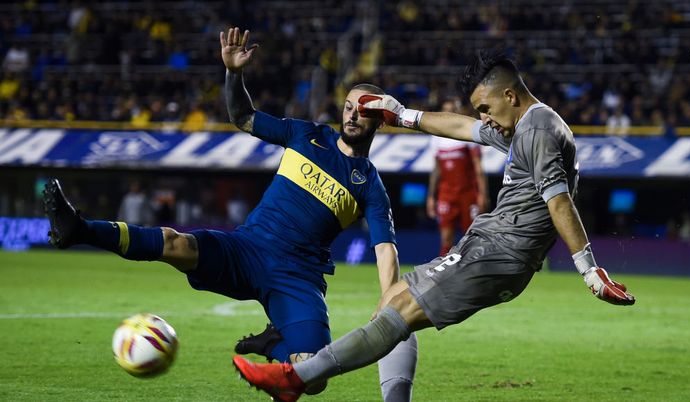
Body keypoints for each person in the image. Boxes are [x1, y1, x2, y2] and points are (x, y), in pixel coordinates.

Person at [230, 48, 636, 402]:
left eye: (486, 109)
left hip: (501, 252)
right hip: (489, 243)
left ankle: (294, 377)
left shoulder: (539, 131)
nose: (485, 120)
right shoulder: (522, 125)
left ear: (510, 96)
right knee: (392, 304)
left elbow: (559, 200)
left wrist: (589, 269)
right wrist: (404, 115)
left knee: (399, 309)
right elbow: (461, 128)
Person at [42, 27, 417, 400]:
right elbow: (243, 116)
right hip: (247, 249)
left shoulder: (369, 184)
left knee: (313, 376)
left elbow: (386, 250)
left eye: (365, 110)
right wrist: (233, 73)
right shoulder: (307, 135)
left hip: (297, 277)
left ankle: (273, 343)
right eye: (349, 106)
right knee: (177, 244)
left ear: (380, 119)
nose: (353, 115)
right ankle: (78, 229)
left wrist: (389, 302)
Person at [427, 98, 489, 256]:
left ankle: (474, 274)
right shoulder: (436, 138)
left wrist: (482, 194)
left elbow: (478, 167)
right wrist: (431, 197)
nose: (449, 113)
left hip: (468, 194)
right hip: (446, 194)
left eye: (452, 109)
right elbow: (436, 170)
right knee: (446, 239)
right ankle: (443, 276)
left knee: (472, 238)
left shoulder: (467, 132)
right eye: (446, 110)